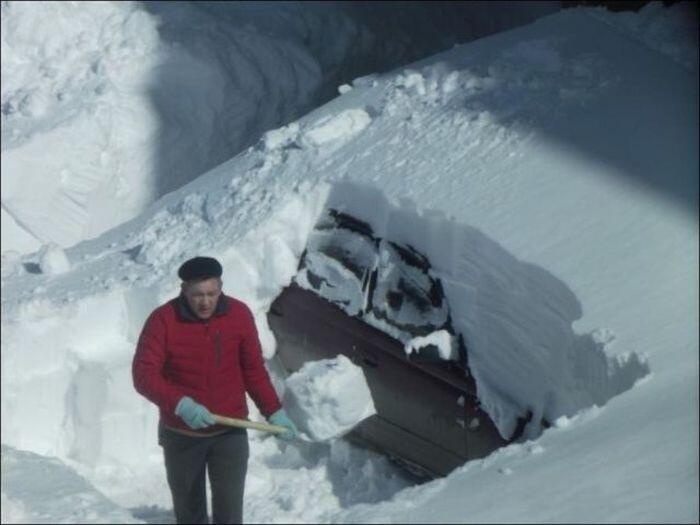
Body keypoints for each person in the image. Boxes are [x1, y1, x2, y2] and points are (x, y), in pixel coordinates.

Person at [132, 256, 298, 524]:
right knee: (190, 513)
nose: (205, 301)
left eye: (211, 293)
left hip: (229, 433)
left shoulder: (239, 315)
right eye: (197, 294)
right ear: (184, 289)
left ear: (221, 286)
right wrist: (181, 404)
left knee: (230, 513)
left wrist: (274, 412)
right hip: (181, 434)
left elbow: (253, 370)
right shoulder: (163, 320)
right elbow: (143, 375)